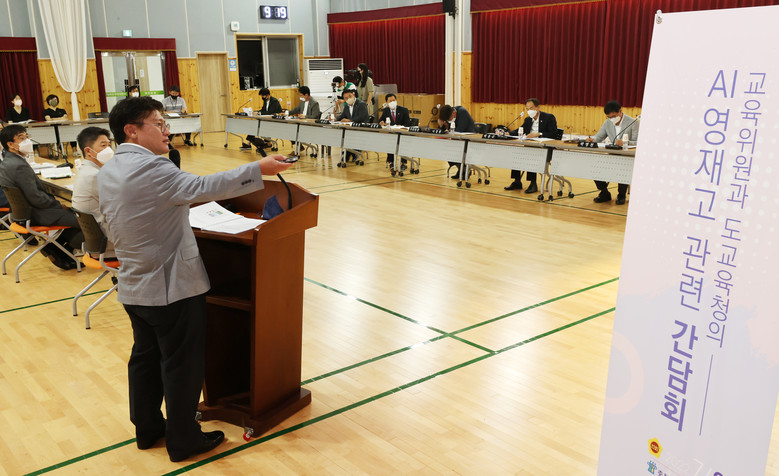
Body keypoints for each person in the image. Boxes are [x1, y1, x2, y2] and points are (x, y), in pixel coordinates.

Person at [98, 96, 292, 462]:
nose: (166, 130)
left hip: (134, 284)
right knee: (181, 365)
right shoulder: (152, 168)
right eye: (158, 123)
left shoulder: (109, 169)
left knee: (144, 360)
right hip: (170, 286)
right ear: (132, 130)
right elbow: (204, 187)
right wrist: (259, 168)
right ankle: (184, 439)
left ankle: (148, 428)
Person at [0, 124, 83, 270]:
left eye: (27, 137)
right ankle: (60, 249)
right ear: (10, 144)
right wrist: (58, 205)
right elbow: (36, 198)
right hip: (35, 214)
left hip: (22, 213)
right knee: (85, 221)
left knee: (74, 213)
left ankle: (57, 249)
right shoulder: (18, 165)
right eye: (21, 138)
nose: (27, 141)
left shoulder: (7, 161)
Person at [586, 100, 640, 205]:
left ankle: (621, 195)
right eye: (609, 117)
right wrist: (592, 140)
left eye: (614, 116)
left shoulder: (633, 122)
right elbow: (599, 137)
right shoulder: (608, 123)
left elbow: (638, 142)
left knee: (623, 168)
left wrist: (625, 142)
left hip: (627, 157)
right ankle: (604, 193)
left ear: (620, 111)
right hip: (612, 155)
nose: (612, 119)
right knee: (595, 167)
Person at [72, 126, 115, 256]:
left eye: (109, 145)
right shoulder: (95, 175)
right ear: (88, 151)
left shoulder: (87, 170)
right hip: (107, 243)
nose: (108, 149)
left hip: (95, 241)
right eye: (103, 145)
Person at [504, 98, 558, 194]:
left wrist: (539, 134)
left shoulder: (548, 117)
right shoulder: (528, 119)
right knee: (516, 155)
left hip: (545, 148)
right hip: (531, 146)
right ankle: (517, 181)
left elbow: (554, 134)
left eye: (531, 108)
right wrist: (508, 133)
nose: (529, 111)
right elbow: (521, 130)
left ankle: (533, 183)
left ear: (538, 107)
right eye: (527, 109)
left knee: (531, 155)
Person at [437, 104, 476, 178]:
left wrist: (448, 128)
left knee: (454, 151)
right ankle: (461, 169)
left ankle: (465, 170)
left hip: (470, 139)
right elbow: (443, 131)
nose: (448, 121)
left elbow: (459, 130)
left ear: (454, 113)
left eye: (449, 119)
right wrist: (441, 125)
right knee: (448, 151)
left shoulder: (462, 112)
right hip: (459, 140)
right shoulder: (448, 113)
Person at [242, 88, 282, 152]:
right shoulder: (266, 101)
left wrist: (258, 113)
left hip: (275, 121)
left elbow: (270, 112)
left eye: (263, 96)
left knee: (259, 125)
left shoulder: (274, 101)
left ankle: (268, 143)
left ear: (267, 95)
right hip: (267, 120)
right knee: (255, 125)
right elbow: (263, 110)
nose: (262, 97)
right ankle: (249, 143)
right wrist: (256, 112)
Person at [378, 93, 410, 167]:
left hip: (402, 134)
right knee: (390, 141)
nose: (392, 102)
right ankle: (390, 162)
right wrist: (381, 122)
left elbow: (408, 123)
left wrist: (401, 126)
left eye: (394, 100)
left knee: (402, 143)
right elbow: (380, 121)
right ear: (387, 103)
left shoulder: (403, 110)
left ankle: (403, 163)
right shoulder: (386, 110)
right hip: (391, 134)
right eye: (390, 101)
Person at [336, 89, 368, 163]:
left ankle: (351, 153)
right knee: (344, 134)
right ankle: (351, 153)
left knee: (350, 135)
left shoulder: (361, 104)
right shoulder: (347, 106)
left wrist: (350, 120)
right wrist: (335, 118)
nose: (348, 99)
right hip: (351, 129)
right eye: (346, 98)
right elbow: (343, 116)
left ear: (353, 95)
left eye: (349, 96)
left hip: (361, 128)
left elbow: (362, 117)